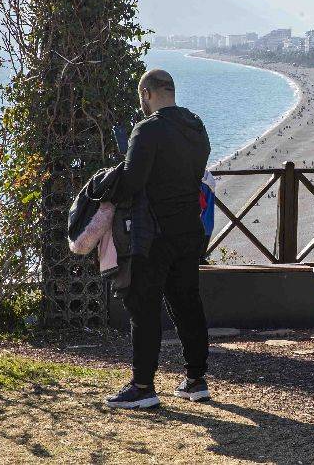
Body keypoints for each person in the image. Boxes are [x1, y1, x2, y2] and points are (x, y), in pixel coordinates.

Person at [105, 69, 212, 409]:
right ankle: (196, 379)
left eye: (142, 99)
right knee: (187, 304)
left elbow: (133, 181)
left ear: (147, 94)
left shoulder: (147, 130)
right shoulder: (197, 128)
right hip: (189, 229)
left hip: (152, 233)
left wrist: (112, 177)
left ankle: (142, 385)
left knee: (143, 307)